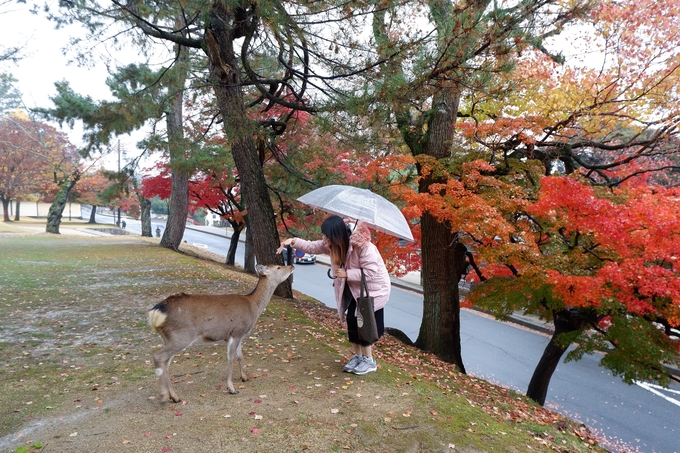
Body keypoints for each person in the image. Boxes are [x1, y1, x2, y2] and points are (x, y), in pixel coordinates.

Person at [277, 215, 390, 375]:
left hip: (372, 291)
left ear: (336, 235)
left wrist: (347, 274)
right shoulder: (333, 245)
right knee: (352, 321)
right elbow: (312, 246)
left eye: (326, 236)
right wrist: (293, 241)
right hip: (352, 289)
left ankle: (369, 360)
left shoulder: (364, 246)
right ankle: (358, 357)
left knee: (363, 323)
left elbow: (371, 272)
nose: (324, 239)